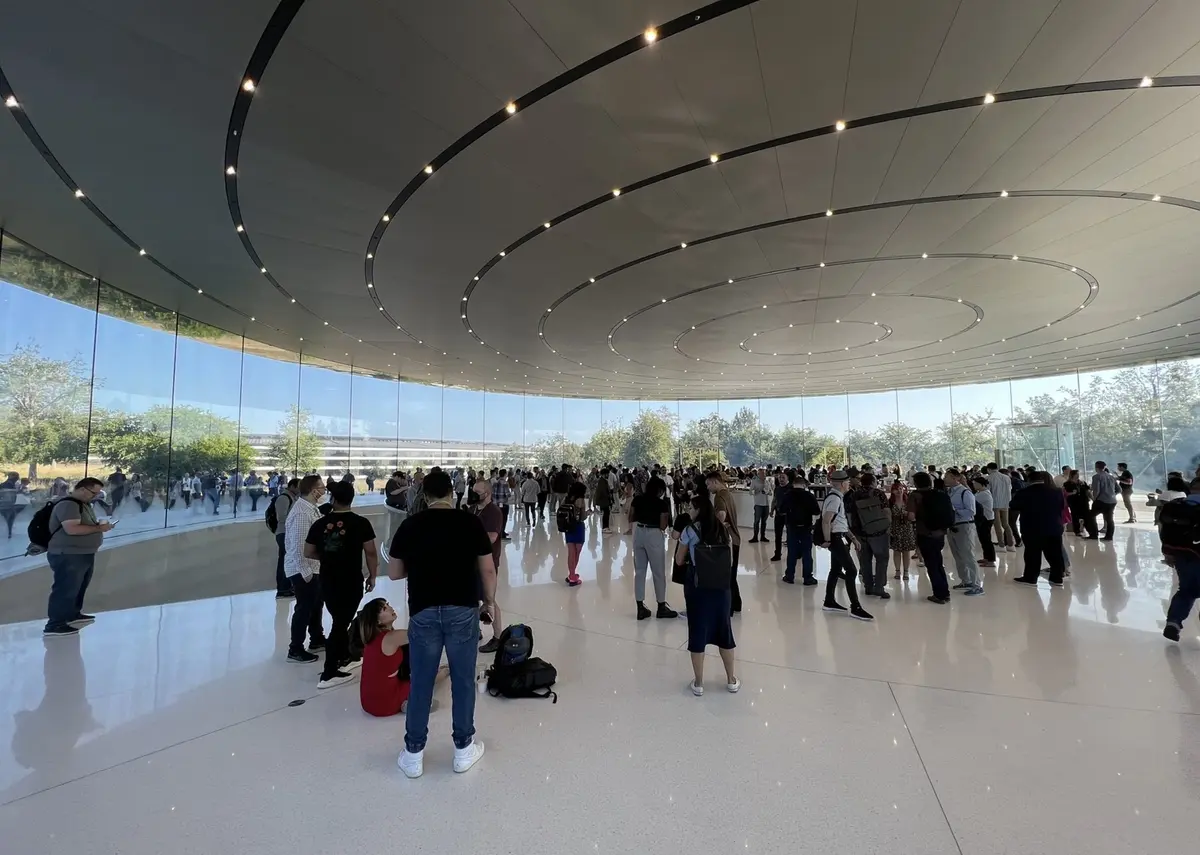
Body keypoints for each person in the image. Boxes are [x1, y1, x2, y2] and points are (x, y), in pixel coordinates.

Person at [389, 470, 495, 778]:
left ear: (425, 495)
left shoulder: (410, 525)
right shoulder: (470, 523)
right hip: (463, 608)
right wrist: (488, 602)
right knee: (463, 680)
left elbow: (395, 573)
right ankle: (463, 750)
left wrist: (425, 565)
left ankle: (413, 755)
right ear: (451, 492)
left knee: (421, 681)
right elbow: (487, 570)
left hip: (423, 610)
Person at [304, 482, 377, 689]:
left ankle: (344, 656)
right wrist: (373, 575)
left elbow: (308, 552)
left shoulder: (320, 524)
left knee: (339, 618)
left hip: (327, 579)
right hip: (351, 579)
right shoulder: (361, 523)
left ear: (333, 499)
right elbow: (370, 552)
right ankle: (329, 672)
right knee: (340, 623)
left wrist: (327, 557)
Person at [675, 490, 738, 696]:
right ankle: (731, 679)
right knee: (724, 630)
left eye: (691, 508)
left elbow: (678, 560)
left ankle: (699, 682)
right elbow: (728, 559)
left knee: (697, 630)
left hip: (697, 587)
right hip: (721, 587)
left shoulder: (689, 530)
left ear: (698, 510)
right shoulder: (722, 529)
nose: (689, 511)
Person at [42, 478, 113, 637]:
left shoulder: (83, 504)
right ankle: (55, 624)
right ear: (82, 489)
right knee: (66, 588)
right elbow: (72, 529)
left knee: (78, 586)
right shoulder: (69, 504)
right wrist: (99, 528)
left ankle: (72, 614)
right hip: (68, 554)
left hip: (82, 553)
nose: (95, 496)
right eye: (93, 493)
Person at [284, 474, 327, 664]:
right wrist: (306, 573)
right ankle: (295, 648)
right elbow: (299, 546)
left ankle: (316, 639)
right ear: (313, 489)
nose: (324, 490)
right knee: (304, 608)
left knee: (316, 606)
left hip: (312, 568)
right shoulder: (302, 512)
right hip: (303, 569)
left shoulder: (311, 509)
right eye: (321, 487)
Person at [817, 471, 872, 620]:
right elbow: (826, 520)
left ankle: (829, 601)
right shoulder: (835, 499)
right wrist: (828, 540)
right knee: (851, 570)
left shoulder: (837, 497)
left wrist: (853, 538)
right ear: (842, 484)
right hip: (836, 539)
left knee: (835, 569)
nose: (849, 484)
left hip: (839, 537)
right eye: (847, 482)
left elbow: (839, 521)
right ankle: (855, 607)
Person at [625, 476, 676, 619]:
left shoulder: (637, 499)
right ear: (659, 490)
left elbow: (630, 517)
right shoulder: (661, 504)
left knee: (640, 572)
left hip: (639, 532)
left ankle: (640, 607)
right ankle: (661, 606)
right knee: (658, 572)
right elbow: (663, 525)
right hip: (654, 534)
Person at [466, 478, 504, 654]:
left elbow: (491, 538)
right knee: (472, 598)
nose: (473, 494)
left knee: (489, 599)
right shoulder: (473, 509)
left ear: (487, 493)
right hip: (471, 561)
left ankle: (498, 636)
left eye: (477, 491)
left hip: (487, 562)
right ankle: (476, 631)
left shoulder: (493, 512)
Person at [1011, 471, 1067, 588]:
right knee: (1055, 554)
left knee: (1032, 554)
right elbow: (1062, 506)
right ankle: (1057, 578)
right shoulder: (1057, 491)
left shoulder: (1024, 492)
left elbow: (1014, 505)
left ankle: (1030, 578)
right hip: (1054, 527)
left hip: (1032, 529)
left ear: (1029, 480)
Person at [846, 471, 891, 599]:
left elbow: (849, 513)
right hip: (878, 532)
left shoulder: (854, 495)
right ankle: (879, 587)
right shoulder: (879, 494)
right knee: (881, 559)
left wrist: (853, 531)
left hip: (860, 532)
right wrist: (888, 527)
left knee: (865, 560)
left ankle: (868, 587)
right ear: (873, 482)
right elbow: (886, 512)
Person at [908, 471, 951, 604]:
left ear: (916, 483)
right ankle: (945, 592)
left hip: (925, 533)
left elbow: (911, 516)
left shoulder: (915, 496)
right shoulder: (939, 493)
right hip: (940, 533)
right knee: (938, 563)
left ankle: (939, 595)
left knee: (931, 565)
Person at [706, 472, 742, 614]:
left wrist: (715, 529)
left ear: (715, 482)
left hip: (727, 540)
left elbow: (721, 514)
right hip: (735, 539)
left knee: (726, 575)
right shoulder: (727, 494)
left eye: (708, 484)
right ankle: (736, 603)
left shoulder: (719, 496)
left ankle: (729, 607)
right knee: (731, 574)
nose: (708, 487)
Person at [944, 468, 981, 595]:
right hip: (952, 527)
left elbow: (971, 512)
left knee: (968, 555)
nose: (945, 479)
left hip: (964, 526)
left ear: (955, 478)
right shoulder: (949, 492)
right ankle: (966, 580)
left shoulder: (965, 492)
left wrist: (955, 511)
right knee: (958, 556)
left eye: (947, 476)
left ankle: (976, 584)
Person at [779, 471, 820, 585]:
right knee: (807, 552)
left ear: (793, 484)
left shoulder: (787, 495)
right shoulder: (809, 495)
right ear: (804, 485)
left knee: (792, 551)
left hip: (791, 526)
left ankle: (789, 576)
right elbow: (816, 511)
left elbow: (781, 510)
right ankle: (807, 577)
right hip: (806, 526)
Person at [272, 478, 299, 599]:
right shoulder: (284, 498)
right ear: (292, 486)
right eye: (298, 486)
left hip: (289, 533)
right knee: (284, 560)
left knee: (287, 560)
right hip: (284, 533)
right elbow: (282, 517)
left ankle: (287, 587)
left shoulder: (293, 497)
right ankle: (283, 589)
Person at [888, 480, 915, 580]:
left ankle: (906, 571)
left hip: (907, 527)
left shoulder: (908, 502)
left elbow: (913, 515)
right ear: (892, 491)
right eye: (896, 489)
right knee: (896, 551)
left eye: (900, 489)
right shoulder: (890, 503)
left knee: (906, 551)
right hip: (895, 528)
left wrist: (908, 515)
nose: (899, 491)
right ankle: (897, 571)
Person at [562, 479, 586, 586]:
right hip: (578, 527)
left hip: (568, 527)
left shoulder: (566, 499)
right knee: (577, 551)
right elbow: (582, 517)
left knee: (571, 552)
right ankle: (572, 576)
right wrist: (588, 513)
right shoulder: (580, 500)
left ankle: (571, 574)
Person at [969, 475, 996, 568]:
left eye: (975, 484)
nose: (974, 486)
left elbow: (971, 501)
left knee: (986, 540)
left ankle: (991, 560)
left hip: (986, 519)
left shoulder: (984, 494)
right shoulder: (980, 492)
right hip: (984, 518)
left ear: (981, 484)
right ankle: (987, 558)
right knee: (983, 540)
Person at [986, 462, 1014, 551]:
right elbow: (1010, 489)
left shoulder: (989, 478)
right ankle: (1011, 545)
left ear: (989, 469)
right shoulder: (1006, 477)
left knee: (997, 525)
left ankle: (1001, 545)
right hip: (1006, 503)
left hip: (995, 504)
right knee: (1006, 524)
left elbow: (987, 492)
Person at [1089, 461, 1118, 540]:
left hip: (1101, 500)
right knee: (1109, 519)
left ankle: (1094, 534)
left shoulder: (1096, 477)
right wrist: (1112, 494)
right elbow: (1119, 489)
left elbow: (1096, 490)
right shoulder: (1111, 476)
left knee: (1090, 516)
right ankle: (1109, 537)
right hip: (1112, 501)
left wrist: (1094, 499)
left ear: (1096, 467)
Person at [769, 469, 791, 562]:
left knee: (790, 535)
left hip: (788, 515)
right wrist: (772, 510)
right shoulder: (777, 488)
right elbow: (775, 500)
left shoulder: (790, 488)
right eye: (780, 477)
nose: (781, 479)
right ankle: (777, 553)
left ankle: (793, 553)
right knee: (778, 535)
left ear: (787, 479)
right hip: (778, 514)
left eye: (783, 477)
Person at [0, 471, 27, 538]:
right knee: (11, 516)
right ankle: (9, 533)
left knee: (11, 517)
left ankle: (9, 532)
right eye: (17, 478)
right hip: (7, 505)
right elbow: (10, 494)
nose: (17, 479)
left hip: (5, 504)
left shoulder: (5, 484)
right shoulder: (8, 485)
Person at [748, 468, 771, 543]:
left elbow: (770, 492)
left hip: (766, 504)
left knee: (764, 521)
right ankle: (755, 537)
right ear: (758, 474)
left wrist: (768, 492)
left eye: (764, 473)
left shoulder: (767, 481)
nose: (763, 475)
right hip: (758, 504)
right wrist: (757, 491)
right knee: (756, 521)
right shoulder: (754, 481)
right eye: (761, 473)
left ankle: (763, 536)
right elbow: (750, 491)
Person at [594, 468, 614, 534]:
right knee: (606, 514)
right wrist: (609, 497)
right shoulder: (602, 481)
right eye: (607, 474)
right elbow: (603, 492)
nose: (608, 475)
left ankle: (606, 527)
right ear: (604, 474)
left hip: (604, 500)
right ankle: (605, 528)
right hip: (604, 500)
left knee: (606, 513)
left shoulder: (602, 480)